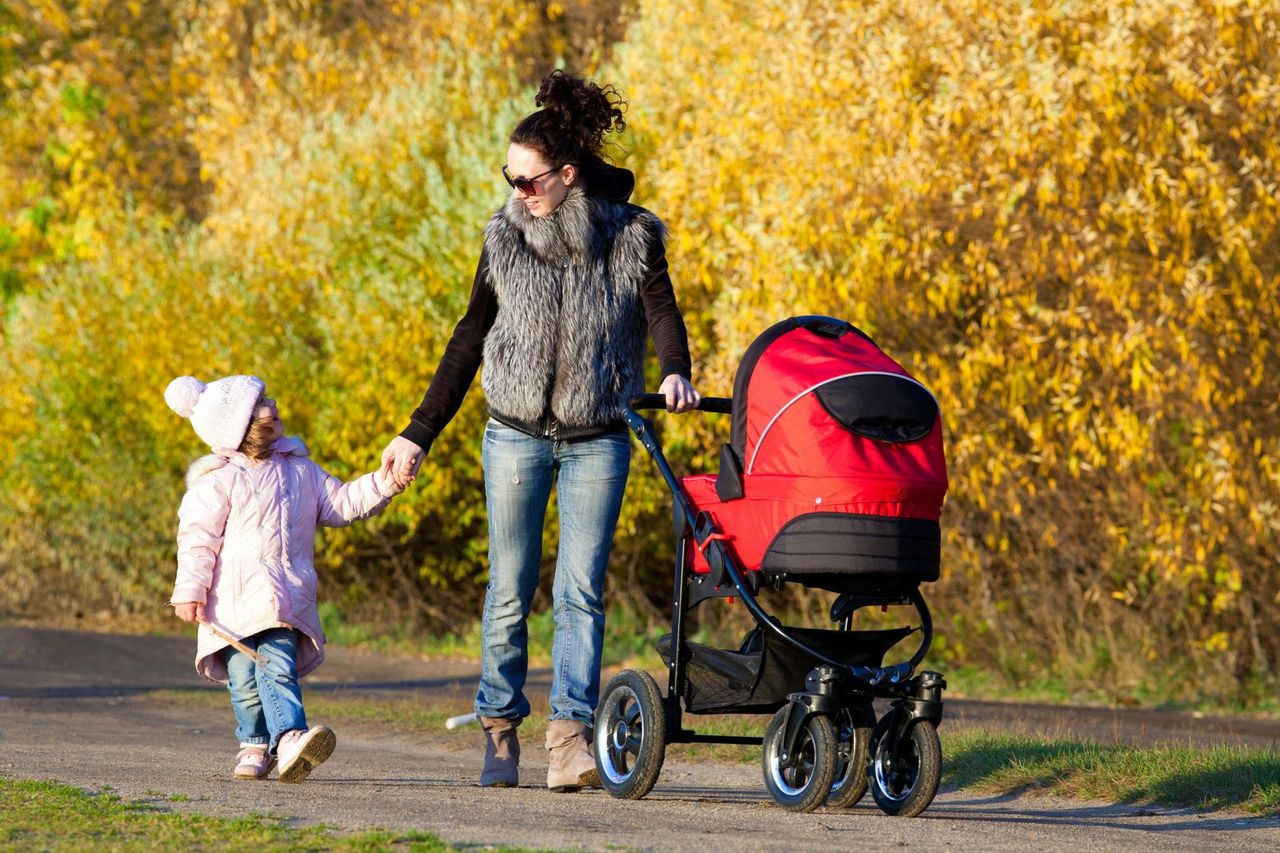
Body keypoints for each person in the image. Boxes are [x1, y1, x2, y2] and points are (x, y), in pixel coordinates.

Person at [381, 70, 699, 792]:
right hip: (515, 434)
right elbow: (469, 337)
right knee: (509, 587)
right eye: (509, 178)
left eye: (528, 181)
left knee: (581, 590)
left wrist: (676, 369)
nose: (517, 192)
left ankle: (568, 739)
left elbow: (661, 311)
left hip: (598, 435)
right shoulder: (504, 236)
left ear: (567, 175)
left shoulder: (631, 234)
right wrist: (418, 432)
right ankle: (499, 728)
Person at [164, 373, 404, 782]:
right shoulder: (218, 481)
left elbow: (342, 503)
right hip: (229, 604)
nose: (273, 406)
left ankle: (291, 736)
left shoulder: (301, 471)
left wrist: (386, 483)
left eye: (269, 399)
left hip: (283, 597)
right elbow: (197, 540)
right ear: (238, 424)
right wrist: (190, 590)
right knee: (243, 681)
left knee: (276, 666)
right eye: (261, 404)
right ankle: (254, 743)